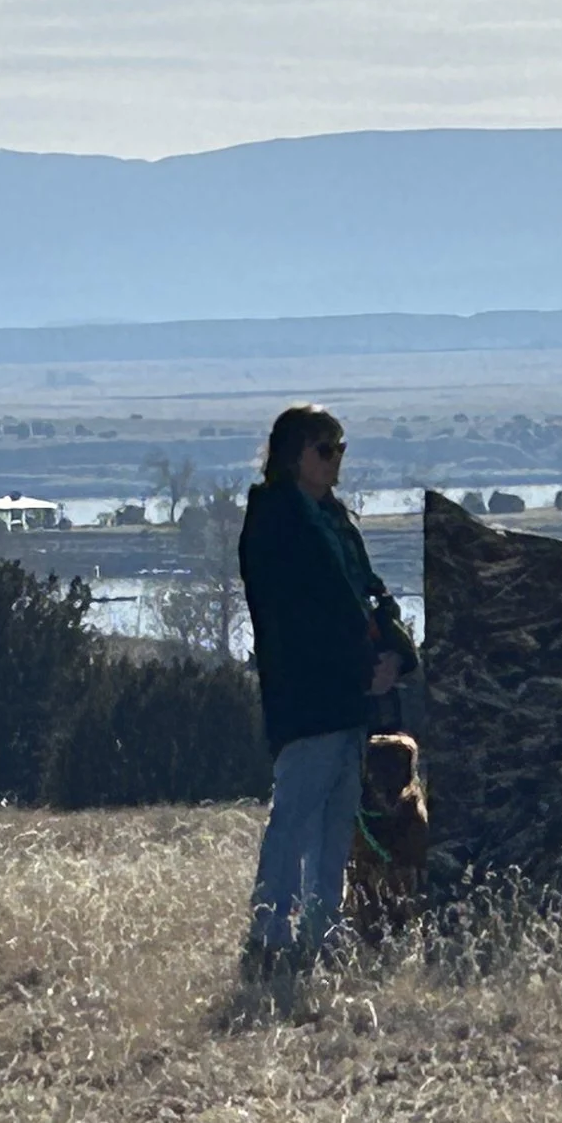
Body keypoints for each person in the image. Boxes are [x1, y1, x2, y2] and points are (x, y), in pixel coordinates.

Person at [238, 405, 416, 975]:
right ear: (294, 455)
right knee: (295, 815)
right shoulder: (275, 525)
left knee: (337, 814)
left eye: (341, 448)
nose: (337, 461)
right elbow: (301, 621)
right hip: (307, 693)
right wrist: (362, 666)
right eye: (325, 449)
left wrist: (392, 653)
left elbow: (368, 592)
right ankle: (270, 934)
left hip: (348, 694)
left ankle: (322, 929)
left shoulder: (332, 519)